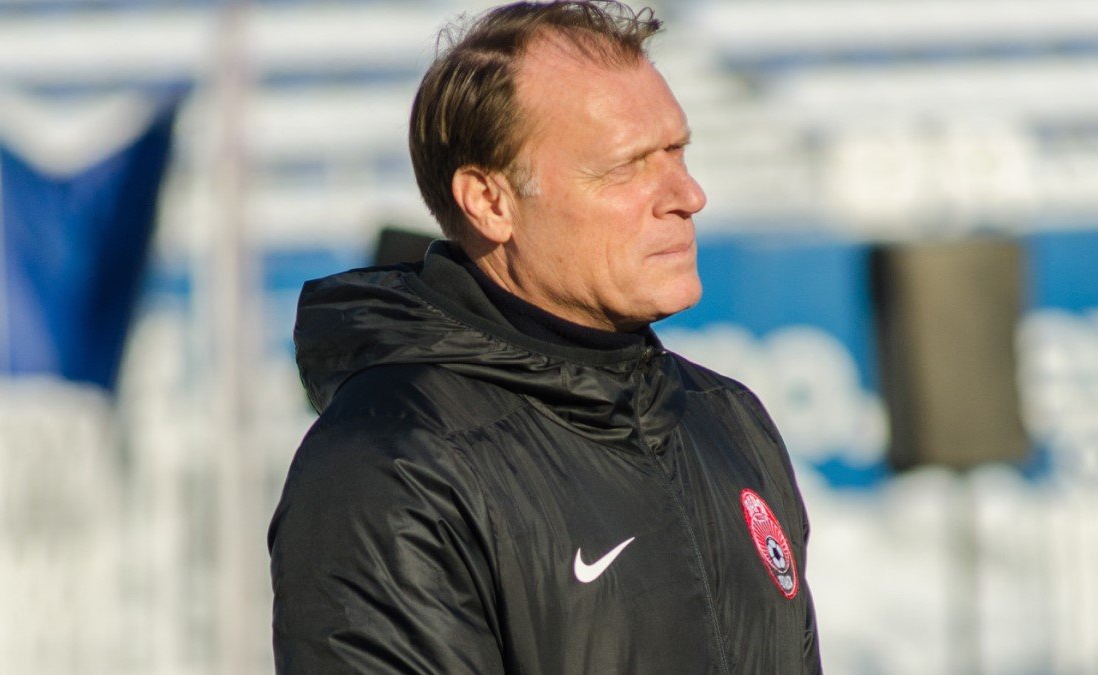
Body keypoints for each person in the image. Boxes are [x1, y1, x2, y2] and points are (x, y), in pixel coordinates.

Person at [268, 1, 822, 672]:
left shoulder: (729, 420)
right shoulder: (388, 465)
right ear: (491, 202)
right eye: (627, 165)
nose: (687, 194)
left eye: (677, 151)